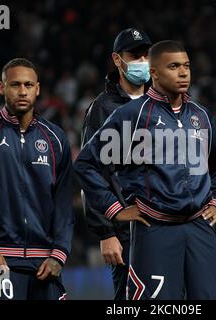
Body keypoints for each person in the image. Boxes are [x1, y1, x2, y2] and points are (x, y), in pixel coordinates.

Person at [75, 40, 216, 300]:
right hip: (155, 229)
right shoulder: (132, 116)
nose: (183, 73)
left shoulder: (201, 115)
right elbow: (86, 165)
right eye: (173, 66)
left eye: (186, 66)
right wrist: (114, 210)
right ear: (154, 73)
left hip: (199, 230)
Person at [0, 58, 74, 300]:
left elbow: (63, 203)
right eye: (15, 85)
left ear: (38, 89)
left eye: (29, 85)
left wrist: (59, 253)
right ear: (2, 88)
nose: (22, 91)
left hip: (45, 263)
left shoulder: (55, 138)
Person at [80, 27, 152, 300]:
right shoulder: (102, 108)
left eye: (146, 55)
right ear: (117, 59)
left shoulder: (162, 102)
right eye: (134, 55)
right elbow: (91, 173)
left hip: (166, 225)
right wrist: (105, 232)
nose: (142, 61)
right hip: (125, 232)